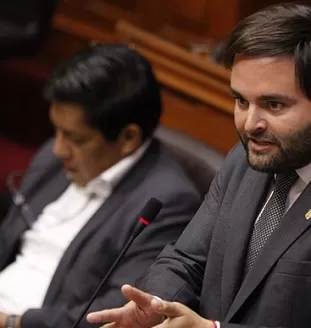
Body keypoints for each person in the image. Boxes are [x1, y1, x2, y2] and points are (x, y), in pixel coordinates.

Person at [88, 4, 311, 328]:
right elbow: (187, 261)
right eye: (241, 100)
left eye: (273, 105)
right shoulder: (253, 153)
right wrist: (157, 306)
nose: (249, 123)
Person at [0, 44, 201, 328]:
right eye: (56, 130)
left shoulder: (166, 204)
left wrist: (12, 322)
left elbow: (113, 312)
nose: (58, 149)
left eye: (75, 138)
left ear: (128, 138)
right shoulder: (56, 157)